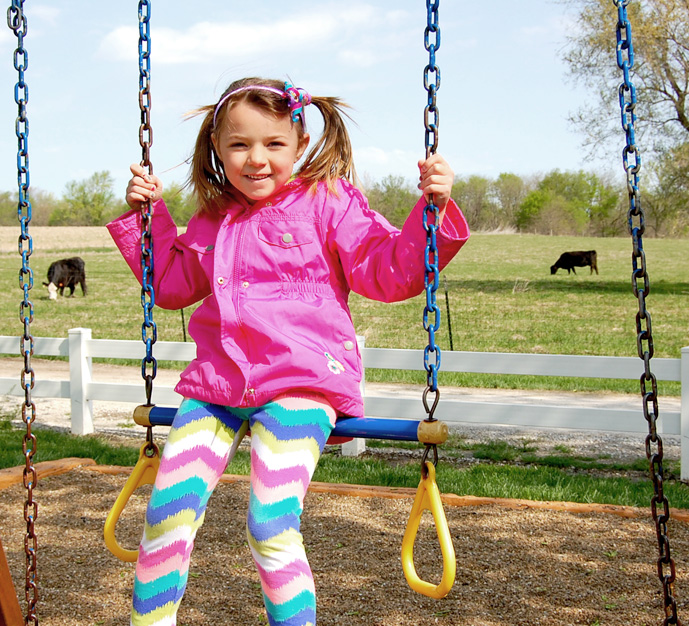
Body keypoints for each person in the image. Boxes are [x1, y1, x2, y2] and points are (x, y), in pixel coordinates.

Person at [107, 76, 470, 626]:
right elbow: (174, 285)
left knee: (270, 522)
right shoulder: (214, 213)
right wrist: (148, 218)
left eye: (274, 144)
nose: (256, 159)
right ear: (217, 150)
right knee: (165, 517)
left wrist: (434, 210)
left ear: (300, 146)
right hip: (218, 387)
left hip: (303, 383)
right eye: (239, 144)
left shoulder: (329, 201)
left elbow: (388, 270)